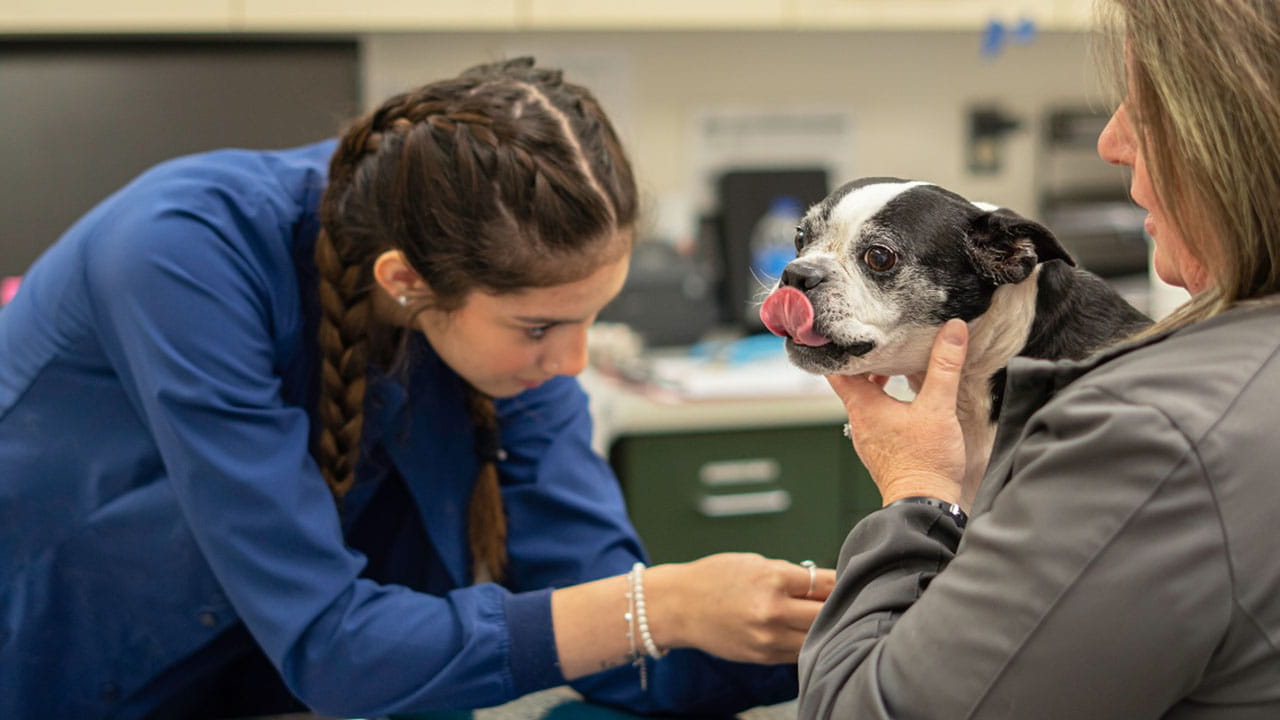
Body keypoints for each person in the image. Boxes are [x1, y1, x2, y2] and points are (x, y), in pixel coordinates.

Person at [0, 57, 836, 719]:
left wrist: (844, 636)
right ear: (405, 281)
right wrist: (663, 602)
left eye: (591, 317)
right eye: (543, 328)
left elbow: (612, 632)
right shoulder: (180, 255)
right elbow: (336, 648)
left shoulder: (506, 319)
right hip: (63, 666)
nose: (573, 363)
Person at [797, 1, 1280, 718]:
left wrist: (917, 490)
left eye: (1146, 108)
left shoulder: (1149, 432)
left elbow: (874, 710)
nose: (1111, 140)